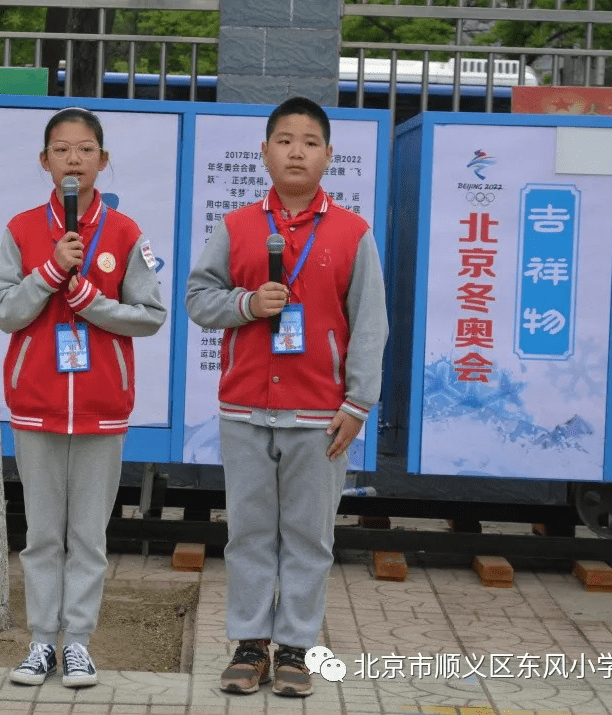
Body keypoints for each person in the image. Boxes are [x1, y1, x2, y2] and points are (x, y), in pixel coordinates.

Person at [185, 96, 388, 697]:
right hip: (245, 409)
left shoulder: (353, 234)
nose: (296, 151)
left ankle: (296, 647)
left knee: (308, 536)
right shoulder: (237, 227)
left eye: (309, 141)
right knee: (248, 532)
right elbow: (199, 299)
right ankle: (250, 646)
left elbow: (370, 325)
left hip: (320, 416)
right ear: (265, 151)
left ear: (329, 156)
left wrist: (357, 405)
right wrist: (247, 304)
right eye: (285, 140)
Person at [0, 107, 167, 688]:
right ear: (45, 162)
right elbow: (4, 311)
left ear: (103, 161)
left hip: (102, 407)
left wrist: (91, 301)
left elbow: (150, 317)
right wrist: (47, 272)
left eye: (86, 149)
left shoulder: (124, 233)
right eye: (62, 150)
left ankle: (80, 644)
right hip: (35, 404)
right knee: (43, 535)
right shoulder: (20, 229)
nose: (74, 160)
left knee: (89, 536)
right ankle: (41, 643)